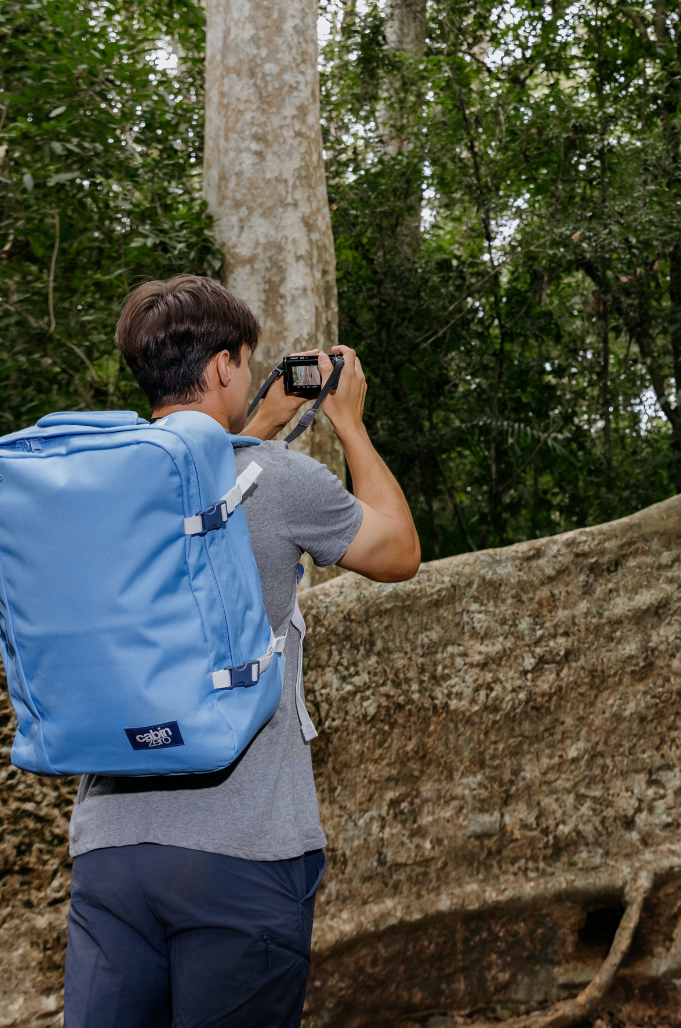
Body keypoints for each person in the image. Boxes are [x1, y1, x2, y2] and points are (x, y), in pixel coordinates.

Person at [63, 274, 420, 1028]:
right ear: (225, 365)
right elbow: (397, 552)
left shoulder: (92, 487)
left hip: (112, 855)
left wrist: (258, 423)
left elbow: (203, 501)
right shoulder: (282, 481)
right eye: (246, 363)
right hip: (242, 849)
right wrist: (348, 421)